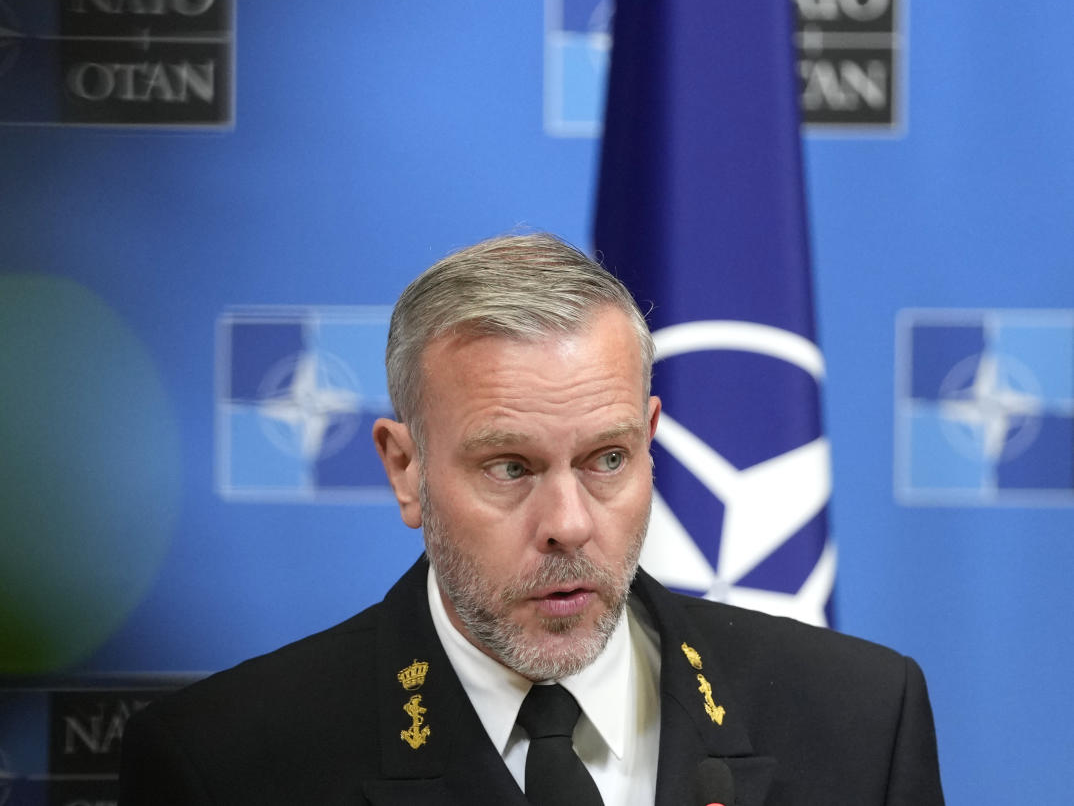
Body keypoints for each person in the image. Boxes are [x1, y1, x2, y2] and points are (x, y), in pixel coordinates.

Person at [119, 232, 944, 805]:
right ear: (405, 471)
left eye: (607, 460)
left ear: (651, 443)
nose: (569, 524)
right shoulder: (223, 765)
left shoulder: (861, 720)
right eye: (510, 468)